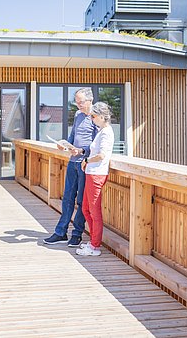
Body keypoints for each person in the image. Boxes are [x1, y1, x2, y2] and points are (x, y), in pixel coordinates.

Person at [43, 88, 98, 247]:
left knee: (81, 201)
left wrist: (82, 151)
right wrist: (64, 145)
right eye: (77, 102)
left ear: (90, 100)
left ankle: (76, 234)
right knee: (67, 198)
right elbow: (73, 136)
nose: (78, 105)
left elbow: (96, 144)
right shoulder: (78, 116)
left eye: (81, 102)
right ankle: (61, 232)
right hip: (72, 162)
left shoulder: (95, 118)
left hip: (84, 164)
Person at [76, 102, 115, 256]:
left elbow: (102, 155)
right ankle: (93, 241)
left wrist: (86, 161)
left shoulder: (106, 132)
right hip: (91, 174)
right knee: (86, 208)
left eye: (93, 116)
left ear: (100, 116)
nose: (91, 119)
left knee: (94, 212)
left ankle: (94, 246)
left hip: (97, 174)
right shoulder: (101, 131)